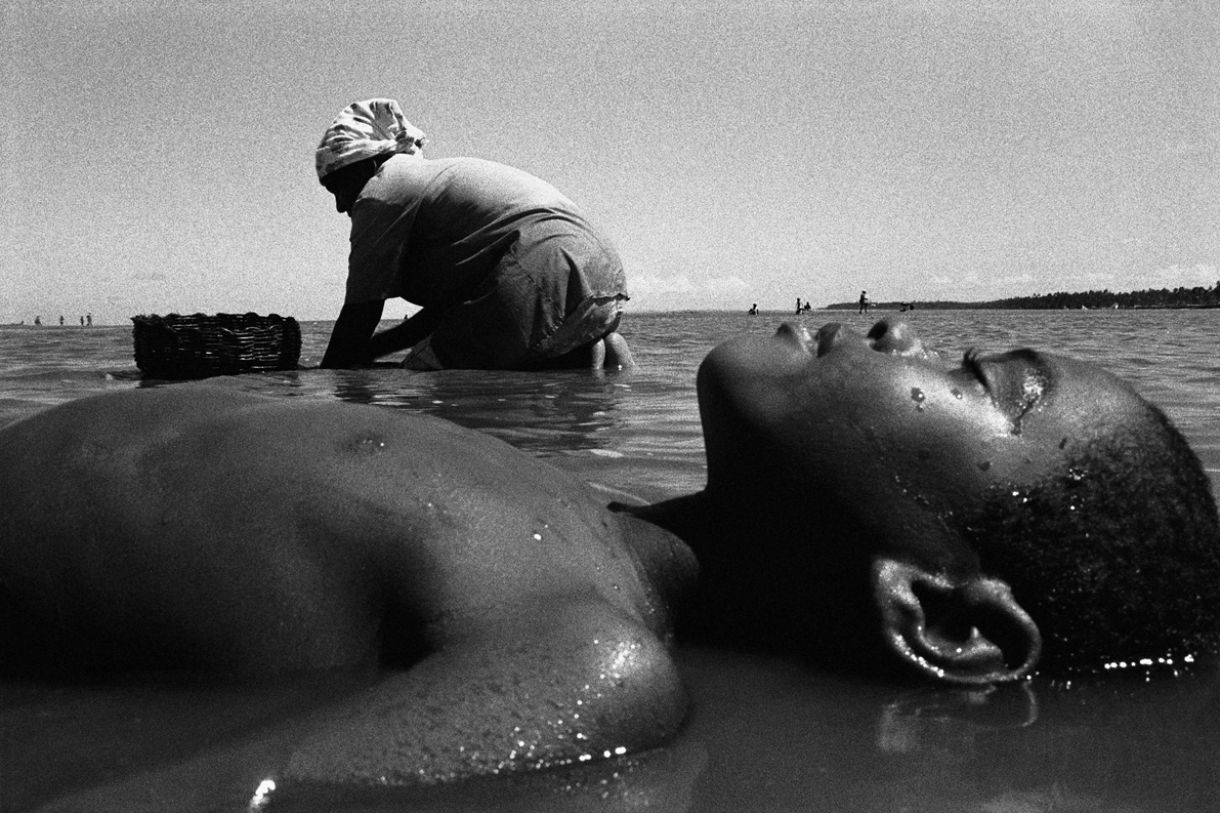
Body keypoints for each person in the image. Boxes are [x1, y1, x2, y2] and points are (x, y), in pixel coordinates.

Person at [0, 319, 1216, 788]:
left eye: (980, 380)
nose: (904, 330)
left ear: (945, 624)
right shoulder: (585, 523)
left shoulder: (588, 654)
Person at [315, 98, 633, 371]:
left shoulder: (383, 190)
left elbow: (361, 310)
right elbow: (444, 317)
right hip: (602, 278)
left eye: (339, 188)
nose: (341, 205)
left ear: (370, 164)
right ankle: (585, 360)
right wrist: (370, 350)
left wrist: (328, 377)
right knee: (482, 357)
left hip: (539, 270)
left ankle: (575, 363)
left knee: (425, 377)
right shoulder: (430, 184)